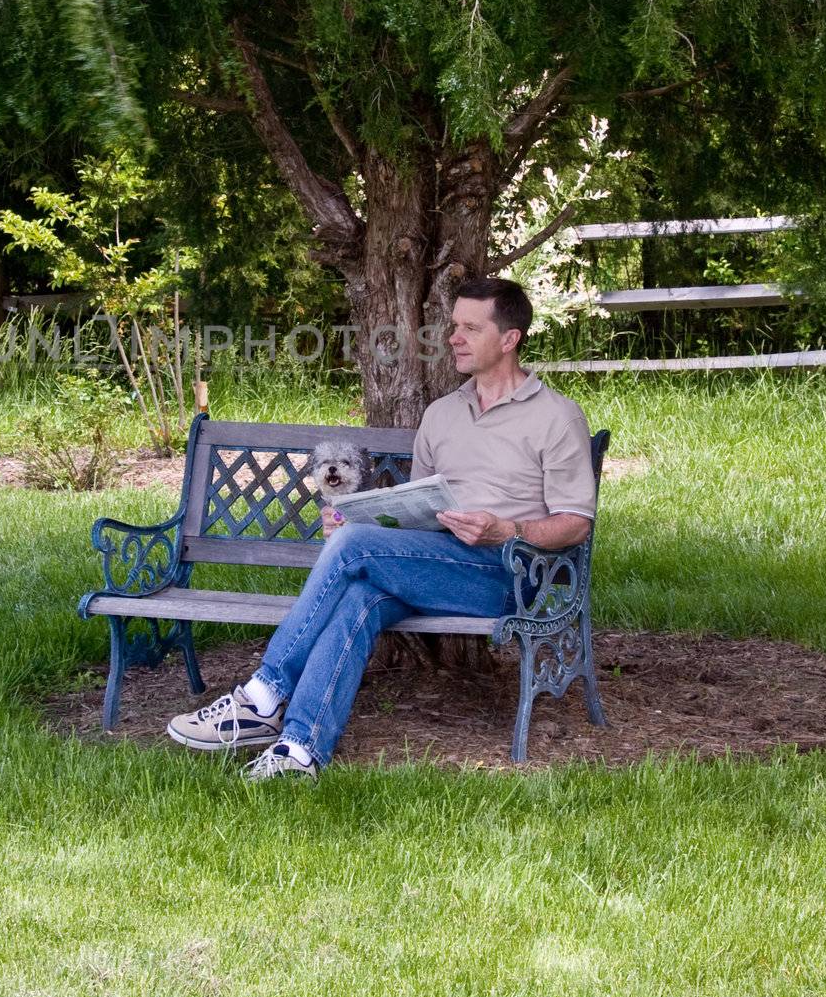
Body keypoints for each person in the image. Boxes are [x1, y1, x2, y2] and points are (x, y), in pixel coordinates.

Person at [165, 277, 597, 780]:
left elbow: (575, 525)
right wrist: (358, 522)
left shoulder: (556, 417)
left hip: (506, 575)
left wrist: (507, 529)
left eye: (470, 328)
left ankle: (261, 694)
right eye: (454, 326)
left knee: (354, 551)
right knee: (358, 596)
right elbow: (414, 510)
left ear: (509, 339)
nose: (454, 337)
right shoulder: (442, 414)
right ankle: (300, 751)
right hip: (430, 563)